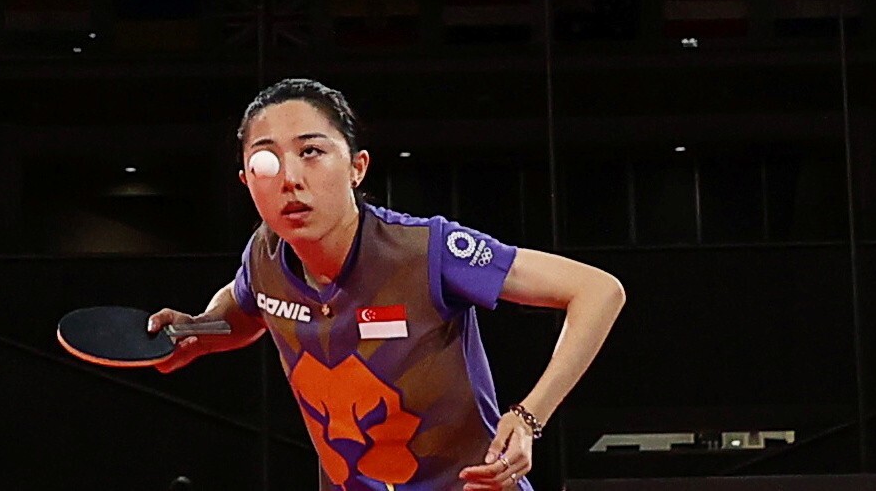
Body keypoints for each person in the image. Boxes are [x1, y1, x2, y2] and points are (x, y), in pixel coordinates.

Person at [148, 79, 626, 491]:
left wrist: (527, 419)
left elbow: (598, 291)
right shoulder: (265, 253)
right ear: (247, 181)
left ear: (357, 167)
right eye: (266, 161)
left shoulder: (427, 250)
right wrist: (203, 330)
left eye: (311, 152)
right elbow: (246, 304)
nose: (290, 178)